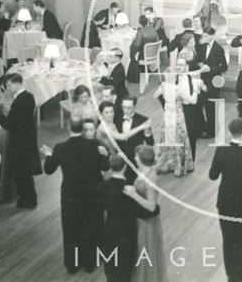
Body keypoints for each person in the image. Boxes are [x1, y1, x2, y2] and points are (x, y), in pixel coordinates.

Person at [40, 118, 109, 273]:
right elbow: (105, 166)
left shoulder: (61, 148)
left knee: (71, 230)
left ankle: (73, 264)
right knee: (90, 228)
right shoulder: (95, 146)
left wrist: (48, 155)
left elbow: (49, 169)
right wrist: (105, 155)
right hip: (92, 195)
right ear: (82, 129)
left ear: (69, 128)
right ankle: (90, 263)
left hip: (70, 197)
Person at [209, 119, 242, 282]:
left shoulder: (221, 150)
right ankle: (241, 273)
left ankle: (231, 273)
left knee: (228, 238)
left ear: (230, 132)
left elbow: (213, 175)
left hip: (224, 201)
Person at [103, 154, 155, 282]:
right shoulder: (129, 189)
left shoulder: (104, 185)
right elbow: (142, 212)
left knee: (111, 260)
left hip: (110, 229)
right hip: (127, 231)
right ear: (125, 167)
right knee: (125, 264)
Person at [0, 73, 41, 209]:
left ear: (18, 84)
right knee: (25, 174)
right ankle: (29, 199)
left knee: (21, 173)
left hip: (20, 142)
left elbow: (9, 125)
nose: (7, 88)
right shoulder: (28, 97)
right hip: (27, 139)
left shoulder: (20, 100)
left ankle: (27, 201)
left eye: (9, 85)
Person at [124, 145, 167, 282]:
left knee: (146, 253)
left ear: (141, 158)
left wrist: (133, 194)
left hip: (147, 223)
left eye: (136, 156)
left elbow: (151, 206)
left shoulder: (150, 178)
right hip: (141, 219)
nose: (134, 158)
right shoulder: (145, 172)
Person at [153, 65, 196, 176]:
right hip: (177, 116)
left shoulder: (163, 86)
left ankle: (167, 163)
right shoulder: (179, 88)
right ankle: (178, 166)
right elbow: (192, 101)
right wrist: (195, 89)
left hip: (167, 115)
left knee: (167, 138)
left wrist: (164, 99)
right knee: (179, 139)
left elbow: (154, 96)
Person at [196, 26, 228, 136]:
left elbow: (224, 67)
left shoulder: (218, 49)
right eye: (203, 35)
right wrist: (200, 64)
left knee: (211, 106)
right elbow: (200, 59)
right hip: (203, 79)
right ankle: (205, 126)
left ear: (212, 36)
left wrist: (210, 69)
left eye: (206, 36)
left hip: (214, 80)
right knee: (202, 104)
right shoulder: (203, 46)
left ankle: (212, 131)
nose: (203, 37)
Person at [175, 54, 206, 161]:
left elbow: (196, 100)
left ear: (187, 67)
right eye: (177, 65)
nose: (178, 67)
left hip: (190, 113)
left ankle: (189, 161)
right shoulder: (174, 79)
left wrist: (200, 86)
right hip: (179, 113)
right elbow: (193, 100)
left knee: (191, 138)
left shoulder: (189, 78)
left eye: (181, 65)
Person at [114, 96, 153, 179]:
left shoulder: (143, 120)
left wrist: (147, 133)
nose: (126, 110)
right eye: (124, 107)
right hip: (122, 159)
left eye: (129, 108)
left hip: (137, 158)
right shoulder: (117, 119)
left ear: (134, 107)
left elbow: (150, 143)